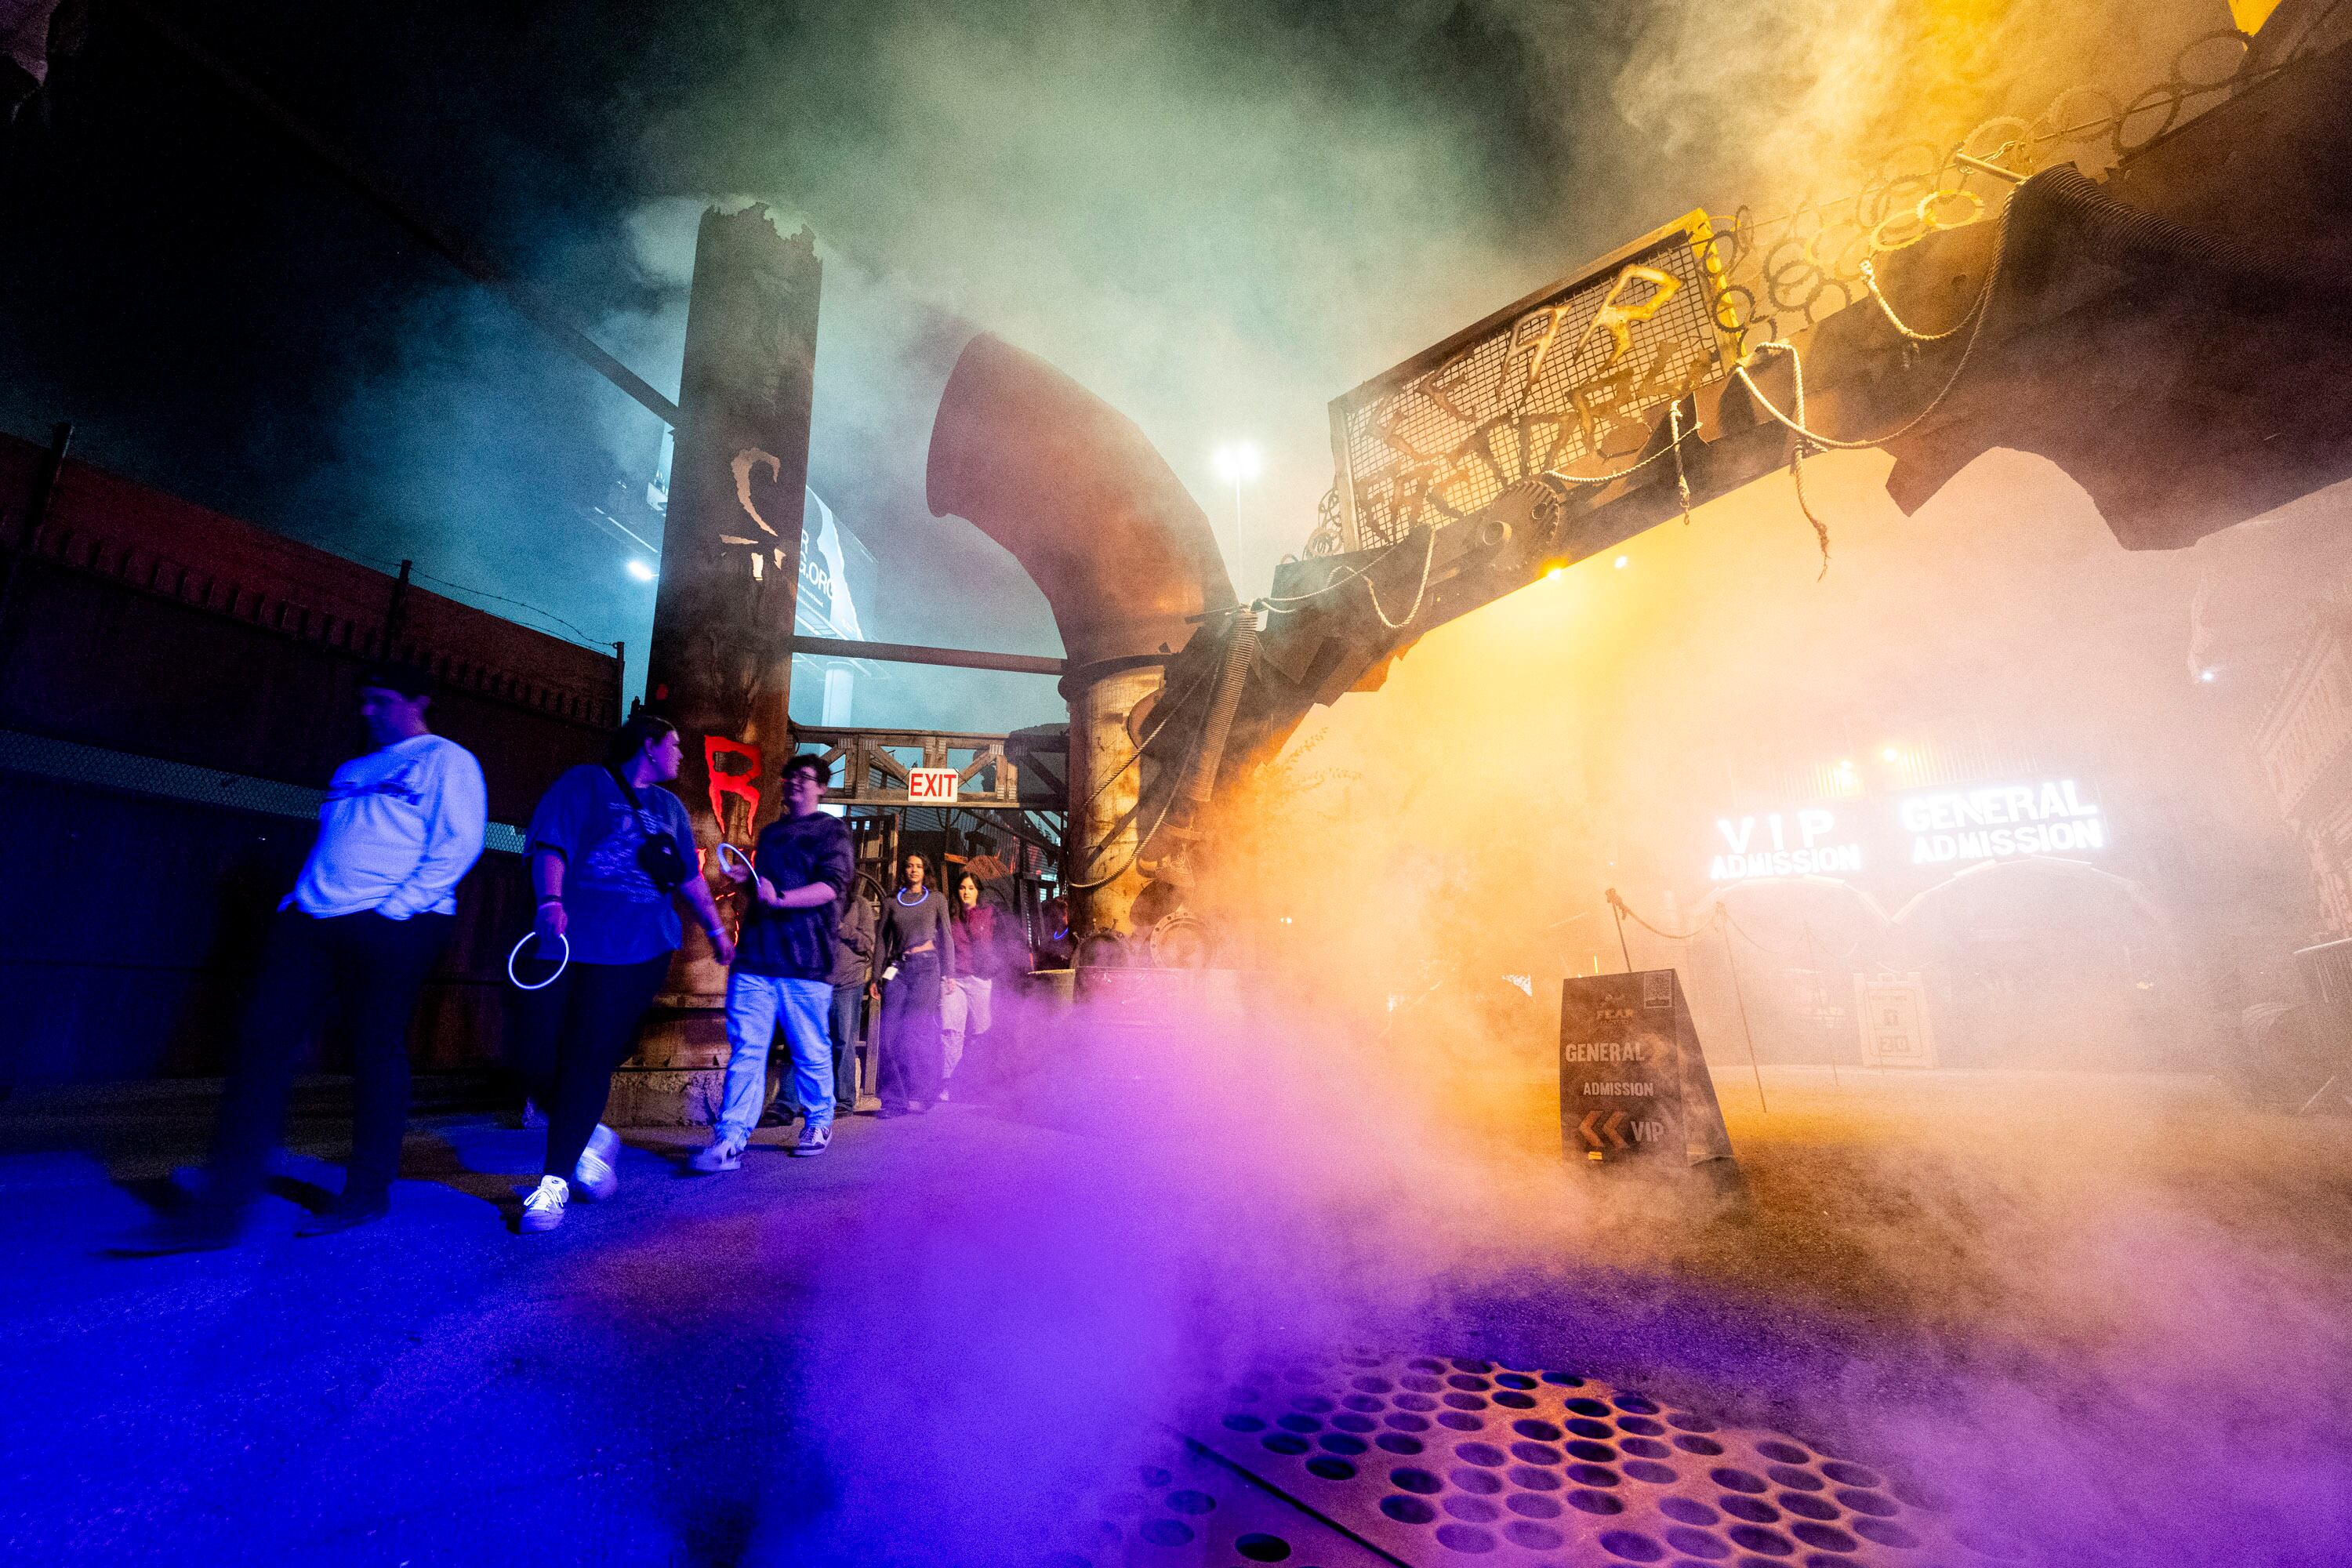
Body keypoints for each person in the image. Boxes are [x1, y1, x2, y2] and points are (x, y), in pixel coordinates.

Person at [118, 666, 487, 1253]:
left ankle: (366, 1192)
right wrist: (298, 900)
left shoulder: (446, 760)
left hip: (394, 923)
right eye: (363, 701)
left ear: (417, 701)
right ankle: (219, 1210)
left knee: (375, 1049)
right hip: (311, 919)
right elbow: (335, 842)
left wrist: (396, 909)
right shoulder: (352, 770)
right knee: (260, 1041)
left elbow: (459, 843)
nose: (366, 712)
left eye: (379, 700)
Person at [512, 712, 733, 1233]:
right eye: (675, 745)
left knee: (588, 1057)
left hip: (638, 949)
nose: (681, 755)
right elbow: (551, 846)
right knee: (530, 1054)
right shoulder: (583, 783)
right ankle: (587, 1135)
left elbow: (687, 879)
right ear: (649, 747)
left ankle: (553, 1183)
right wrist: (549, 901)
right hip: (568, 942)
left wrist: (717, 931)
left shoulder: (670, 808)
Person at [692, 753, 855, 1170]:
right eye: (791, 777)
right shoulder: (770, 834)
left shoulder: (832, 831)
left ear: (821, 787)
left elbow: (831, 888)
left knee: (809, 1048)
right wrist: (749, 883)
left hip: (806, 959)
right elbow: (765, 892)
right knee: (748, 1049)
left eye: (806, 777)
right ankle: (730, 1137)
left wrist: (781, 898)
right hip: (756, 958)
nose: (796, 783)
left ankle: (819, 1120)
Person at [872, 851, 955, 1116]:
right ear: (904, 871)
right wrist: (875, 976)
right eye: (909, 866)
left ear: (925, 871)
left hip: (928, 968)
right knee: (889, 1035)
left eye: (919, 866)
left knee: (916, 1032)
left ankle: (921, 1093)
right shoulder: (891, 903)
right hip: (898, 969)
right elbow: (882, 941)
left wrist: (949, 973)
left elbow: (948, 937)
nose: (913, 870)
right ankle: (893, 1100)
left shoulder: (936, 900)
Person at [939, 873, 1004, 1101]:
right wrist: (947, 973)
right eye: (962, 888)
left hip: (980, 979)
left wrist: (995, 967)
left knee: (980, 1033)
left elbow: (1001, 941)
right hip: (954, 979)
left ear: (978, 891)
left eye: (971, 888)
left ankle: (977, 1083)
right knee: (951, 1031)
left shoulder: (989, 914)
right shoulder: (950, 914)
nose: (966, 892)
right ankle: (948, 1085)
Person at [830, 873, 879, 1112]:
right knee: (809, 1041)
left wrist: (841, 928)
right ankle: (801, 1101)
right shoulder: (821, 904)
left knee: (843, 1041)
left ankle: (844, 1100)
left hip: (847, 982)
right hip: (819, 981)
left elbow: (867, 944)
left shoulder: (860, 905)